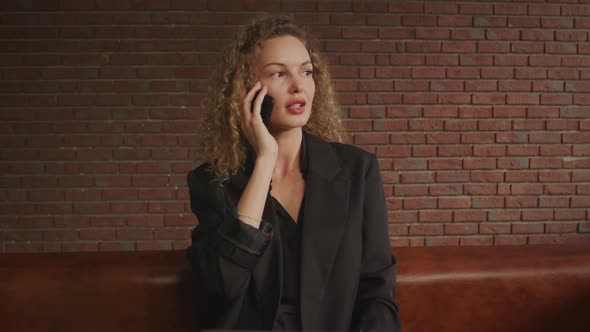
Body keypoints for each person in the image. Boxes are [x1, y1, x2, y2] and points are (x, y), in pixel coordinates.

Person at [186, 15, 401, 331]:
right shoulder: (212, 181)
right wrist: (264, 161)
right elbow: (222, 287)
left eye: (306, 71)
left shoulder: (358, 170)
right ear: (247, 89)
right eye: (278, 73)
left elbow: (377, 290)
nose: (298, 85)